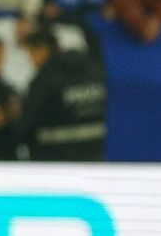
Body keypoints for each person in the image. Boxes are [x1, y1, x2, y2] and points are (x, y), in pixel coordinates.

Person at [15, 27, 107, 162]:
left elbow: (27, 124)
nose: (31, 60)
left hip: (55, 162)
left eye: (31, 54)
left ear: (42, 50)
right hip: (96, 156)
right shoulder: (95, 70)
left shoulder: (44, 80)